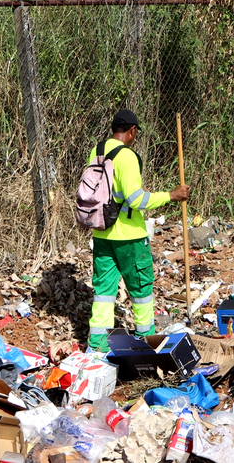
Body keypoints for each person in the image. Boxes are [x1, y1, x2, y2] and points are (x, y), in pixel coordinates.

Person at [87, 109, 189, 352]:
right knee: (141, 290)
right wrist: (171, 196)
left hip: (101, 234)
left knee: (103, 292)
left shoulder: (98, 151)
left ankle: (97, 346)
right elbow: (135, 200)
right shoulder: (127, 156)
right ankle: (146, 342)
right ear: (132, 131)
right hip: (129, 237)